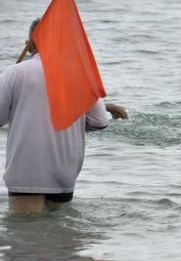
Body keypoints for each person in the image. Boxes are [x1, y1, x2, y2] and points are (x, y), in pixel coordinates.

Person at [1, 19, 126, 213]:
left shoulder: (14, 73)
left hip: (26, 171)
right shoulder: (81, 74)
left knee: (25, 235)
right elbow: (99, 122)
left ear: (31, 43)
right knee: (59, 235)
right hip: (64, 172)